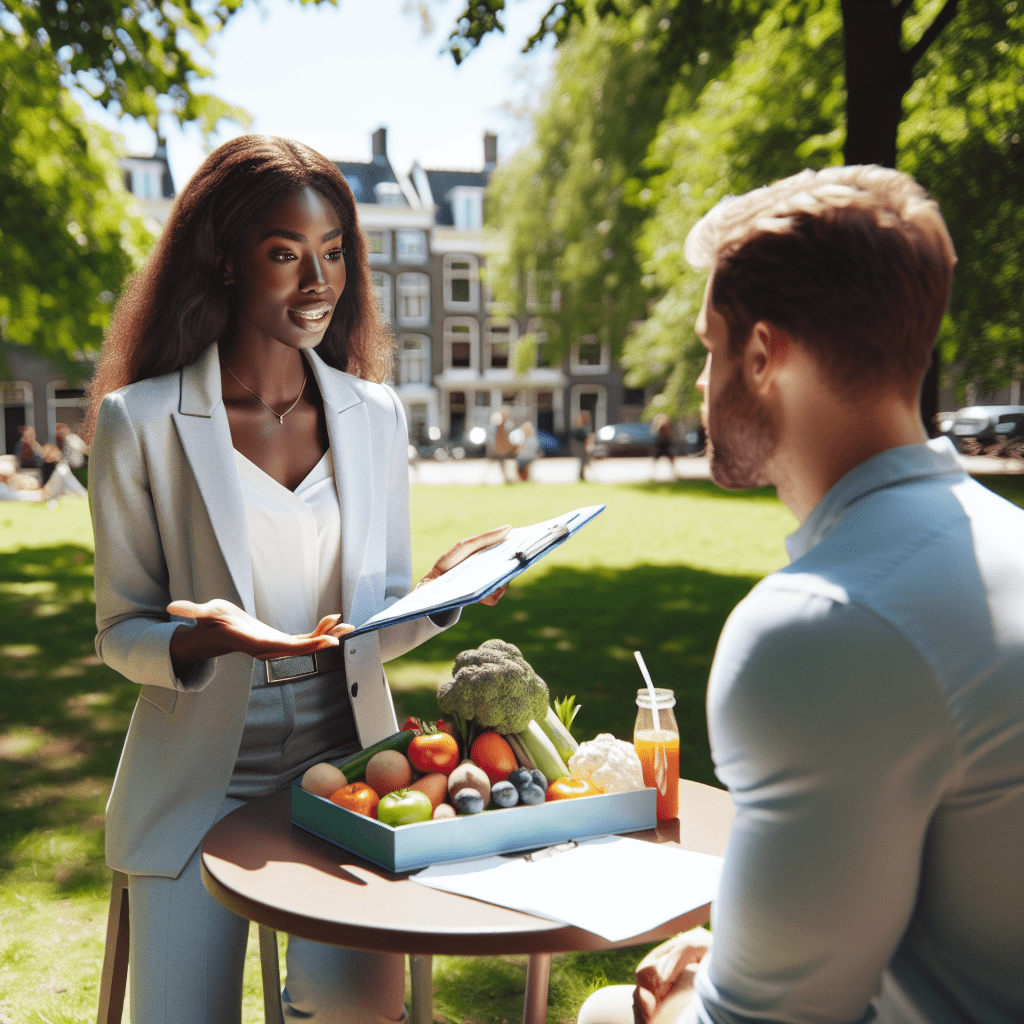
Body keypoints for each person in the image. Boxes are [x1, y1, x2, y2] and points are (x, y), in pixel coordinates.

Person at [578, 166, 1023, 1024]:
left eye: (711, 349)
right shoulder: (999, 544)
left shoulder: (823, 624)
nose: (703, 387)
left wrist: (668, 1000)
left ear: (761, 354)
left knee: (607, 1012)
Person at [85, 134, 509, 1024]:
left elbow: (370, 622)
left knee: (354, 1013)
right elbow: (121, 630)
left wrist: (441, 593)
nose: (317, 282)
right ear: (224, 260)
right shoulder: (143, 420)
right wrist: (211, 637)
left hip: (348, 758)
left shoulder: (374, 414)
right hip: (198, 770)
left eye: (332, 253)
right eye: (284, 254)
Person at [570, 411, 594, 481]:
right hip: (578, 445)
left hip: (583, 445)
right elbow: (578, 435)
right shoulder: (579, 425)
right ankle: (581, 475)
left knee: (585, 460)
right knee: (582, 460)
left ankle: (582, 475)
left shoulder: (586, 426)